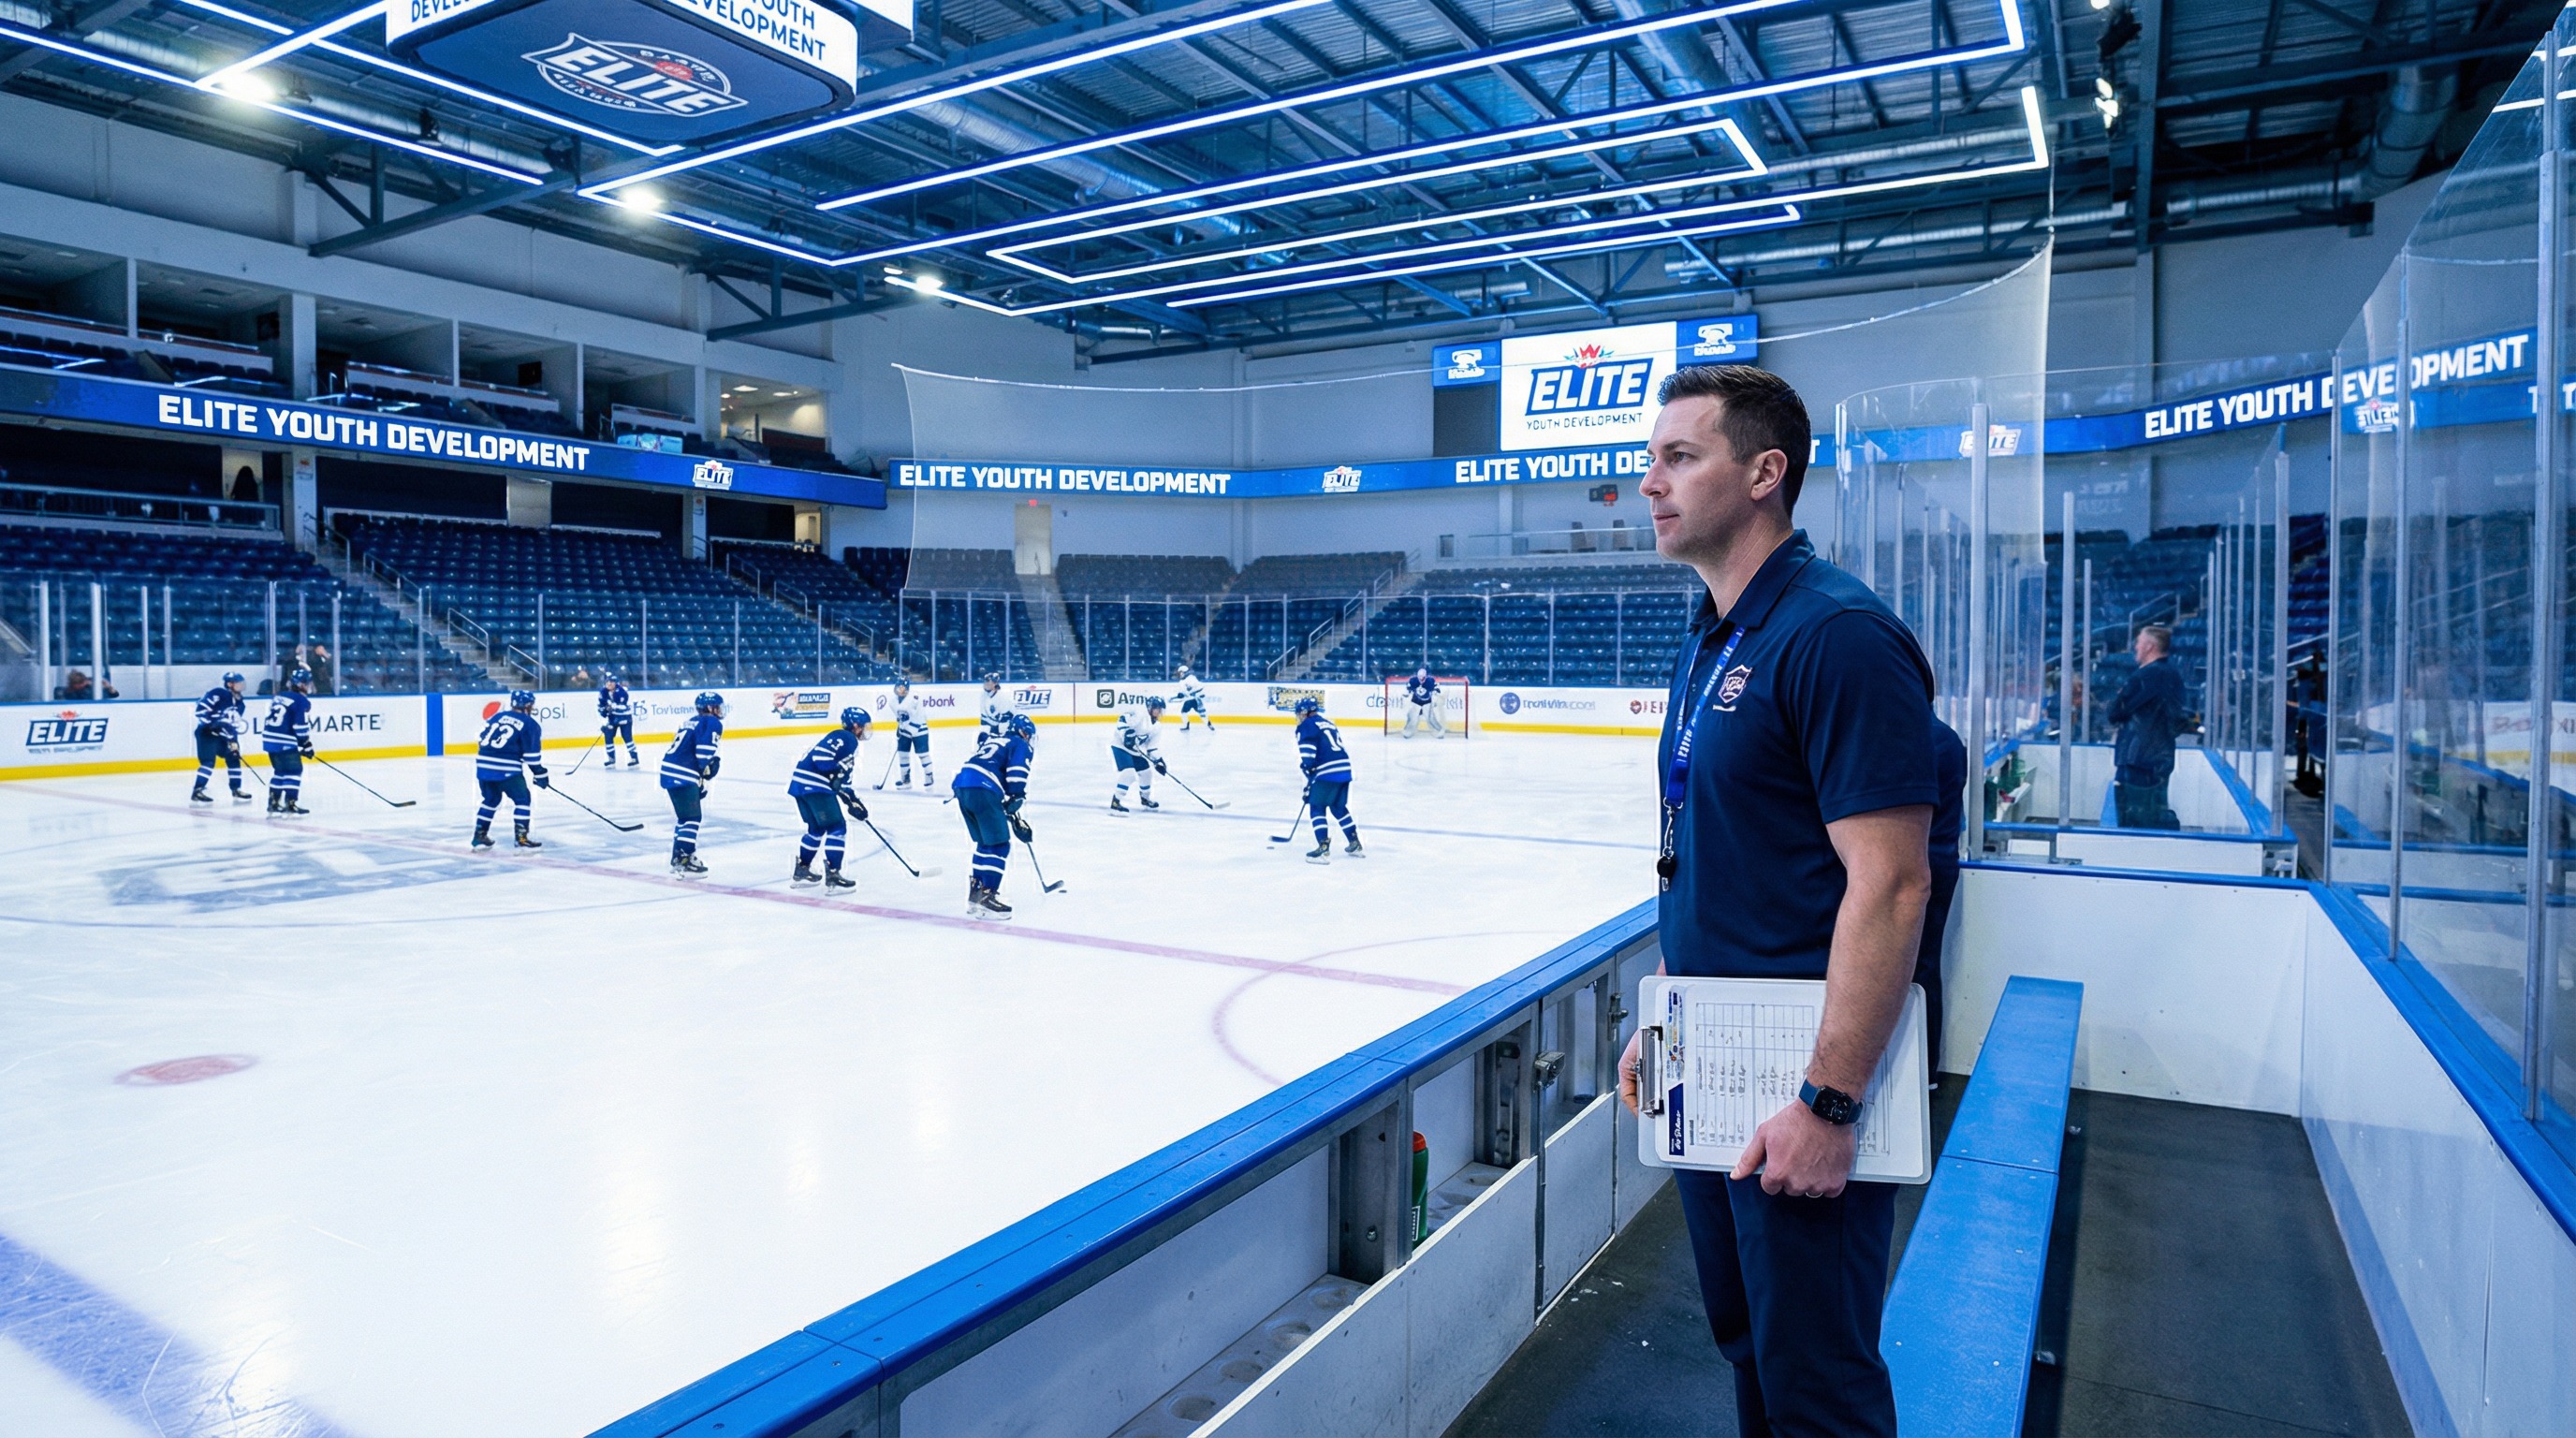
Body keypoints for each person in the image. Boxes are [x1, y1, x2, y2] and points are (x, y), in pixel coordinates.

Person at [1615, 364, 1936, 1438]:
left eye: (1677, 456)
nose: (1647, 481)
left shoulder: (1835, 634)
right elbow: (1718, 854)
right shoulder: (1715, 633)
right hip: (1712, 1059)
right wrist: (1664, 1019)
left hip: (1799, 1080)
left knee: (1816, 1381)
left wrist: (1830, 1105)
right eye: (1650, 458)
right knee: (1751, 1341)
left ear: (1764, 473)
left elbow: (1890, 885)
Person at [953, 712, 1036, 919]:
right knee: (1000, 845)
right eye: (1027, 734)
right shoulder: (1019, 743)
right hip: (983, 787)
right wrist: (1017, 794)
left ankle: (976, 894)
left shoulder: (994, 739)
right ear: (1022, 732)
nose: (1028, 738)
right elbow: (1016, 772)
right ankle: (987, 898)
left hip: (962, 785)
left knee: (984, 842)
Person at [2108, 624, 2188, 829]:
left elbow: (2115, 712)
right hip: (2159, 758)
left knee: (2136, 824)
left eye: (2139, 642)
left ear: (2150, 646)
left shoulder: (2145, 676)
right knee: (2154, 814)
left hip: (2138, 759)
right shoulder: (2172, 674)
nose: (2135, 647)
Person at [788, 707, 870, 889]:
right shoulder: (847, 738)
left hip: (799, 785)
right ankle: (833, 874)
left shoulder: (843, 740)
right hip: (815, 787)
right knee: (837, 827)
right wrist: (834, 773)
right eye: (863, 726)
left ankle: (802, 869)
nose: (864, 730)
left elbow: (842, 781)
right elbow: (821, 759)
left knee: (816, 829)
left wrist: (853, 801)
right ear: (855, 726)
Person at [473, 689, 549, 850]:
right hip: (506, 770)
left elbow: (482, 740)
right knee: (522, 800)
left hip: (483, 766)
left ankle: (479, 835)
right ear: (528, 705)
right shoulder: (530, 724)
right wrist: (540, 773)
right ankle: (521, 838)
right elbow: (532, 757)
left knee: (491, 800)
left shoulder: (498, 716)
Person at [1294, 695, 1362, 863]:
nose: (1298, 717)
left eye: (1299, 713)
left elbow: (1309, 758)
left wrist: (1309, 776)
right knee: (1338, 807)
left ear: (1304, 712)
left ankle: (1323, 850)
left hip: (1328, 771)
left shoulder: (1306, 726)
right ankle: (1355, 843)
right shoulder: (1329, 723)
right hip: (1345, 769)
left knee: (1317, 806)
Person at [662, 691, 724, 874]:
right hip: (683, 773)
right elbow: (704, 754)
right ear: (710, 708)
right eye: (717, 707)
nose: (719, 710)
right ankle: (685, 857)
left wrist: (700, 780)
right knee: (692, 818)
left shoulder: (691, 721)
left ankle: (677, 856)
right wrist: (710, 766)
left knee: (684, 818)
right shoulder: (712, 722)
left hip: (669, 771)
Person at [261, 667, 318, 816]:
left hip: (269, 739)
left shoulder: (279, 696)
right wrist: (306, 743)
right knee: (294, 770)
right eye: (308, 683)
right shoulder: (301, 700)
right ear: (301, 685)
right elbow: (300, 726)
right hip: (284, 740)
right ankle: (291, 803)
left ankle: (273, 802)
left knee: (280, 771)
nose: (309, 686)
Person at [189, 671, 251, 804]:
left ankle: (236, 789)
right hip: (207, 734)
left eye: (241, 683)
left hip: (223, 737)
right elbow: (200, 711)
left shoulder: (241, 704)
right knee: (208, 762)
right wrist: (214, 724)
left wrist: (233, 740)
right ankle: (197, 790)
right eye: (238, 683)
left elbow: (232, 724)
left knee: (234, 758)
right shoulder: (218, 694)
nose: (241, 685)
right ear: (230, 684)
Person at [1110, 697, 1166, 813]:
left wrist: (1159, 761)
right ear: (1151, 707)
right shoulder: (1140, 714)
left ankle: (1145, 799)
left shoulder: (1157, 726)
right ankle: (1116, 801)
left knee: (1146, 773)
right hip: (1120, 746)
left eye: (1160, 709)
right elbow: (1122, 720)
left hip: (1136, 750)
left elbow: (1152, 748)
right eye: (1157, 709)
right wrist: (1125, 734)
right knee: (1129, 773)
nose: (1159, 712)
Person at [891, 679, 935, 788]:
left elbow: (916, 715)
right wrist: (900, 726)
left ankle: (929, 775)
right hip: (904, 730)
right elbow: (900, 716)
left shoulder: (915, 698)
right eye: (899, 687)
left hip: (919, 728)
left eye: (903, 687)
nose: (900, 690)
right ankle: (906, 780)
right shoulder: (893, 701)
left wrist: (906, 724)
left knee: (923, 755)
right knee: (903, 754)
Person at [598, 672, 640, 769]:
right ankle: (611, 759)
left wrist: (610, 709)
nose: (609, 683)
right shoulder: (603, 693)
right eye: (608, 681)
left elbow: (622, 708)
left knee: (627, 738)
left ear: (616, 683)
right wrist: (604, 722)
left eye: (612, 682)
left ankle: (635, 758)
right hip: (613, 718)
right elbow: (601, 708)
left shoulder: (621, 692)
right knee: (608, 736)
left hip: (624, 718)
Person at [1400, 666, 1445, 738]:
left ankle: (1439, 731)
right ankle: (1407, 731)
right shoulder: (1413, 681)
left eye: (1423, 677)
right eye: (1419, 677)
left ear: (1426, 676)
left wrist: (1436, 694)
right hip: (1415, 701)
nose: (1421, 679)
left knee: (1430, 718)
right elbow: (1407, 690)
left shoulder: (1430, 681)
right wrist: (1406, 693)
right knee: (1412, 717)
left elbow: (1437, 690)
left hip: (1427, 702)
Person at [1173, 665, 1213, 731]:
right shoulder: (1182, 682)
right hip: (1190, 700)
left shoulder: (1191, 678)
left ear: (1184, 672)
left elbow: (1200, 687)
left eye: (1181, 672)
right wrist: (1181, 694)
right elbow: (1184, 692)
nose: (1180, 674)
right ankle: (1187, 725)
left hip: (1195, 699)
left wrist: (1194, 693)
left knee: (1201, 713)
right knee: (1184, 712)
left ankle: (1208, 724)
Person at [978, 673, 1011, 737]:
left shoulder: (1002, 697)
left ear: (995, 683)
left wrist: (1000, 734)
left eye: (988, 682)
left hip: (1002, 728)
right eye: (985, 681)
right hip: (990, 727)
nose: (985, 683)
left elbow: (1006, 718)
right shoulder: (983, 695)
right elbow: (984, 717)